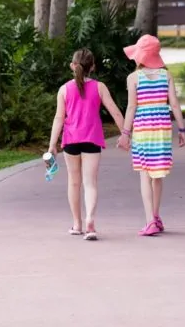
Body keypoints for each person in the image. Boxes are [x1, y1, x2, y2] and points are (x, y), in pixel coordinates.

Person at [48, 48, 126, 241]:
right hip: (92, 139)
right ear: (93, 66)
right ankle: (90, 220)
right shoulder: (100, 87)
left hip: (71, 140)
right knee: (90, 183)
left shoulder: (64, 90)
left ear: (72, 66)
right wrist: (125, 133)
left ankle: (77, 224)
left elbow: (59, 118)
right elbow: (115, 111)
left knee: (74, 182)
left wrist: (52, 145)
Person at [118, 35, 185, 236]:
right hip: (162, 130)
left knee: (145, 175)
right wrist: (182, 129)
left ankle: (150, 221)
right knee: (158, 175)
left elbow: (131, 107)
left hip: (142, 130)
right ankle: (156, 217)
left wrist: (125, 133)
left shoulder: (133, 78)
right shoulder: (167, 76)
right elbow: (174, 104)